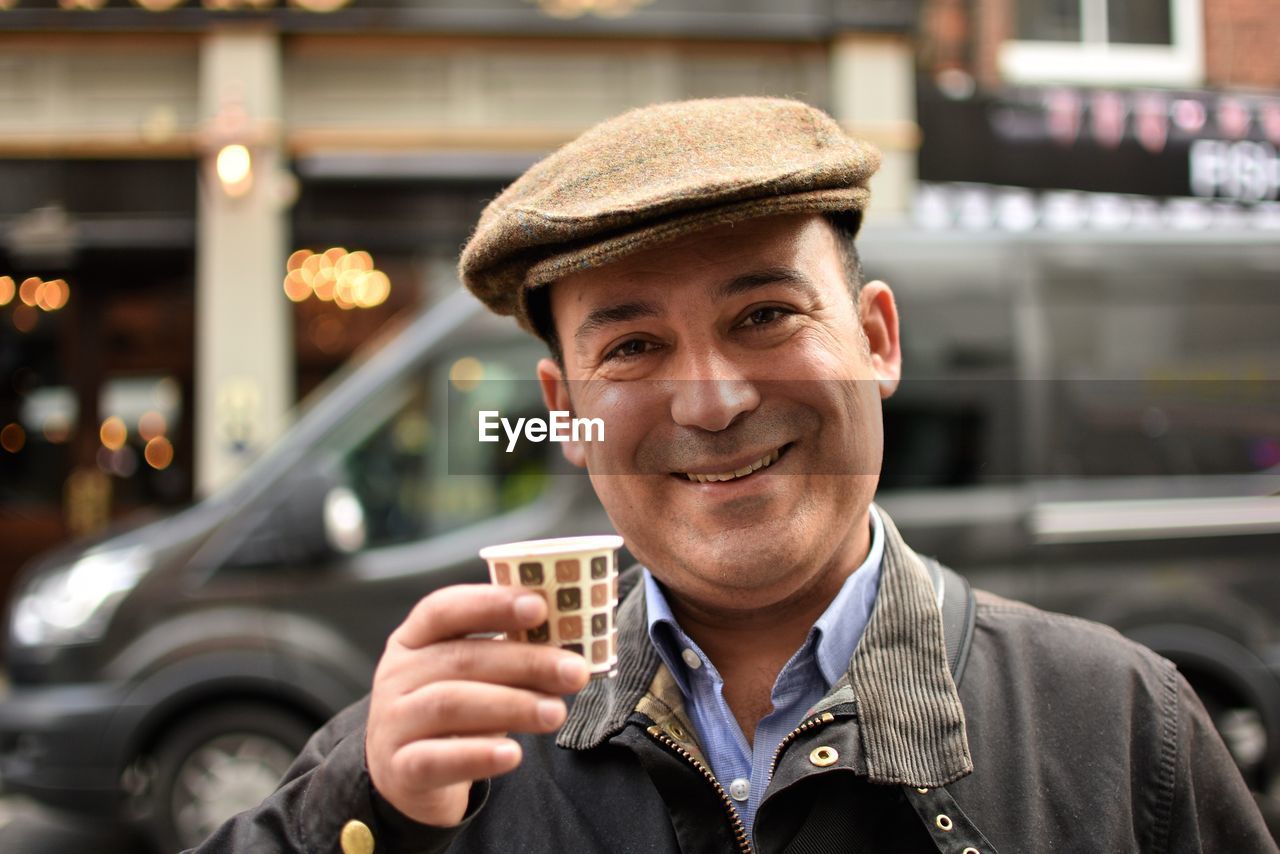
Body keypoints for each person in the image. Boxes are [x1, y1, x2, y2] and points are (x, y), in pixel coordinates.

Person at [191, 98, 1274, 853]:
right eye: (630, 348)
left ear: (876, 336)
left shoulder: (1125, 729)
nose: (709, 402)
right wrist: (367, 813)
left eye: (763, 316)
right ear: (563, 412)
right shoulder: (446, 750)